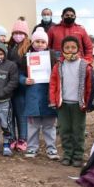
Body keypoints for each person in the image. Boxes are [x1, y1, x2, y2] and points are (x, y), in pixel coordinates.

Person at [49, 36, 94, 167]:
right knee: (64, 130)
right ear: (62, 49)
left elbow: (90, 86)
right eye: (67, 47)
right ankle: (67, 154)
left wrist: (89, 102)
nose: (70, 50)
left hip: (78, 105)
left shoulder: (85, 65)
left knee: (78, 130)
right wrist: (53, 100)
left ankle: (78, 156)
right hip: (63, 104)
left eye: (73, 47)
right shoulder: (59, 65)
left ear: (78, 49)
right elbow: (53, 84)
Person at [21, 27, 59, 160]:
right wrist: (24, 80)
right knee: (33, 126)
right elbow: (19, 75)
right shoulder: (26, 57)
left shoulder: (53, 57)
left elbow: (60, 74)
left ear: (47, 44)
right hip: (33, 97)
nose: (40, 44)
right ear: (32, 42)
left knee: (49, 126)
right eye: (37, 41)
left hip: (49, 96)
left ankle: (51, 149)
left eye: (43, 42)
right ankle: (32, 148)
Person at [7, 17, 31, 151]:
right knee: (10, 114)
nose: (17, 35)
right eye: (15, 33)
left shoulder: (29, 48)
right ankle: (11, 138)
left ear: (26, 35)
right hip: (9, 86)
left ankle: (23, 139)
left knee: (21, 113)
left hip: (22, 86)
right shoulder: (9, 47)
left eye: (20, 33)